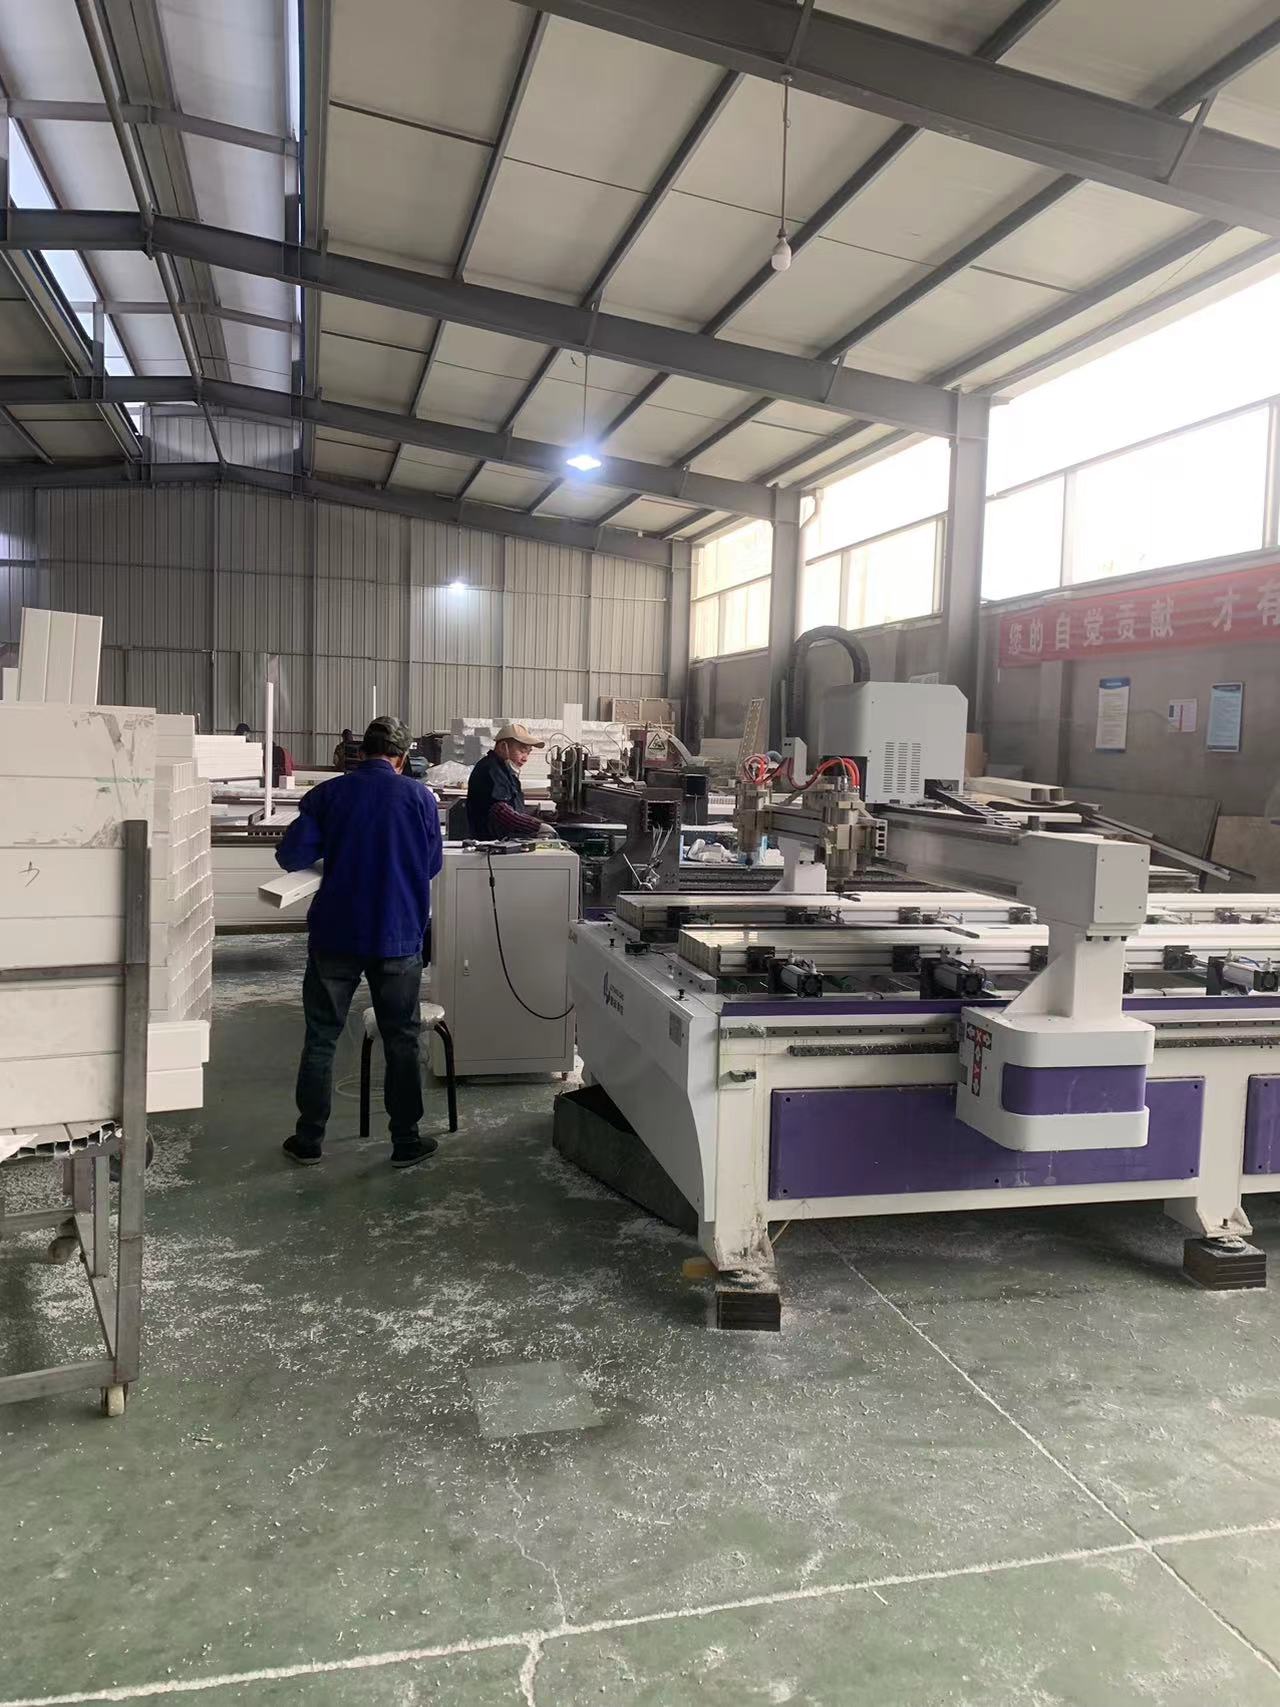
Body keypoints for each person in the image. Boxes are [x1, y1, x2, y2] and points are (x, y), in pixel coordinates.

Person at [275, 714, 443, 1170]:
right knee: (401, 1038)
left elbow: (291, 856)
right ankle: (405, 1140)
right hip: (397, 934)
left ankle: (309, 1140)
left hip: (336, 934)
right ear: (402, 758)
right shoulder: (420, 798)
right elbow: (431, 865)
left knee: (322, 1037)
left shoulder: (329, 794)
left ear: (361, 752)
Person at [465, 721, 549, 838]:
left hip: (506, 841)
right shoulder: (490, 769)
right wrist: (536, 826)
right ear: (503, 747)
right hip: (491, 843)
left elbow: (514, 808)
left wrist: (545, 817)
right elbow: (500, 811)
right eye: (522, 751)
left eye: (528, 753)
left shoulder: (507, 771)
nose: (525, 758)